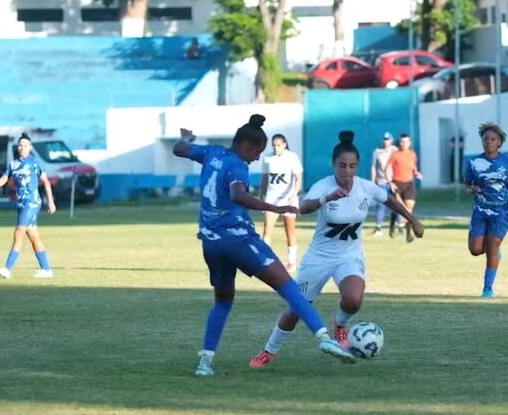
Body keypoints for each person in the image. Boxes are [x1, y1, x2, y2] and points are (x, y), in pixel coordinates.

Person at [172, 115, 355, 377]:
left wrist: (186, 138)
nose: (256, 158)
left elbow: (179, 149)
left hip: (211, 244)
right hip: (239, 240)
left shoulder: (211, 153)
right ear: (248, 146)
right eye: (257, 152)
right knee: (289, 287)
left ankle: (205, 362)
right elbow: (238, 195)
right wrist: (275, 207)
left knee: (223, 302)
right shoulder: (237, 165)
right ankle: (324, 337)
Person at [248, 131, 424, 368]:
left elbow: (388, 200)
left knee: (353, 300)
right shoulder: (323, 186)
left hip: (349, 256)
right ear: (334, 165)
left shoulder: (365, 187)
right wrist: (326, 199)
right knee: (298, 308)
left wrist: (412, 219)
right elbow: (303, 207)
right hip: (319, 257)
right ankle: (268, 351)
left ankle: (340, 324)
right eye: (342, 166)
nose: (347, 171)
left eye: (352, 166)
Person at [464, 123, 508, 299]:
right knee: (475, 250)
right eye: (485, 139)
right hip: (480, 211)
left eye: (492, 139)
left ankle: (487, 289)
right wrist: (471, 190)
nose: (488, 142)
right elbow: (467, 184)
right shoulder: (474, 162)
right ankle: (495, 251)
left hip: (501, 212)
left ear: (499, 142)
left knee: (491, 247)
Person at [0, 133, 56, 279]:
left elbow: (46, 182)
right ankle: (46, 269)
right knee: (33, 236)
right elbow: (3, 179)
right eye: (20, 145)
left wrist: (51, 201)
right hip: (22, 204)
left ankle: (7, 268)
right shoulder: (13, 165)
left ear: (30, 147)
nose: (22, 148)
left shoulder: (35, 163)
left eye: (25, 145)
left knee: (18, 233)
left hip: (32, 202)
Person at [260, 134, 303, 273]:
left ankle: (291, 262)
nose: (276, 147)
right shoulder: (267, 158)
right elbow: (265, 178)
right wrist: (261, 193)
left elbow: (298, 177)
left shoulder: (292, 157)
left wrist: (294, 194)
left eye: (278, 145)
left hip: (288, 198)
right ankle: (265, 260)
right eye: (274, 145)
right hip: (272, 199)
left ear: (284, 144)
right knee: (267, 229)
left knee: (289, 229)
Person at [386, 133, 422, 242]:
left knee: (409, 209)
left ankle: (408, 233)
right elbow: (387, 169)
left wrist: (416, 173)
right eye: (402, 141)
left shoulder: (412, 154)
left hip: (409, 184)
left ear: (410, 143)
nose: (404, 144)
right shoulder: (395, 154)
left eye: (406, 142)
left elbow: (412, 166)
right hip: (397, 184)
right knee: (398, 208)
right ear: (399, 142)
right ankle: (392, 223)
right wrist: (390, 182)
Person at [370, 132, 396, 236]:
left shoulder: (395, 151)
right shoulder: (377, 152)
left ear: (391, 140)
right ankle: (378, 227)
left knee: (396, 204)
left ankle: (397, 225)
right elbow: (373, 167)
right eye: (385, 139)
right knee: (381, 205)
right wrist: (373, 182)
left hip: (393, 182)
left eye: (388, 139)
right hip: (381, 181)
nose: (386, 141)